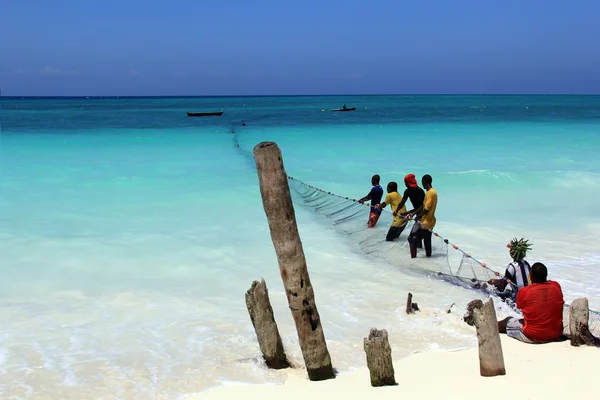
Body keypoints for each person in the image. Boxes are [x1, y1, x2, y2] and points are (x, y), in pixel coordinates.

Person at [497, 262, 565, 344]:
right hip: (556, 334)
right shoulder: (556, 286)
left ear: (531, 276)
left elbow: (519, 306)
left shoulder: (525, 291)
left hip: (532, 336)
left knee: (508, 320)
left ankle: (490, 327)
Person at [407, 174, 437, 258]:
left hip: (426, 222)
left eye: (422, 182)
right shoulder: (430, 192)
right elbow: (423, 207)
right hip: (431, 221)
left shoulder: (431, 193)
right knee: (427, 241)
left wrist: (417, 217)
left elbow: (426, 209)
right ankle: (429, 259)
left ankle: (413, 260)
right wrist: (413, 213)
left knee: (412, 240)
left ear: (424, 182)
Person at [393, 173, 425, 248]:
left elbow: (402, 202)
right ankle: (422, 254)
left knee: (412, 238)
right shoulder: (420, 190)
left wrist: (396, 210)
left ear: (407, 182)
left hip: (420, 217)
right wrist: (407, 212)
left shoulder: (408, 191)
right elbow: (421, 206)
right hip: (425, 216)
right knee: (419, 238)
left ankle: (416, 257)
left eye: (405, 182)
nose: (405, 184)